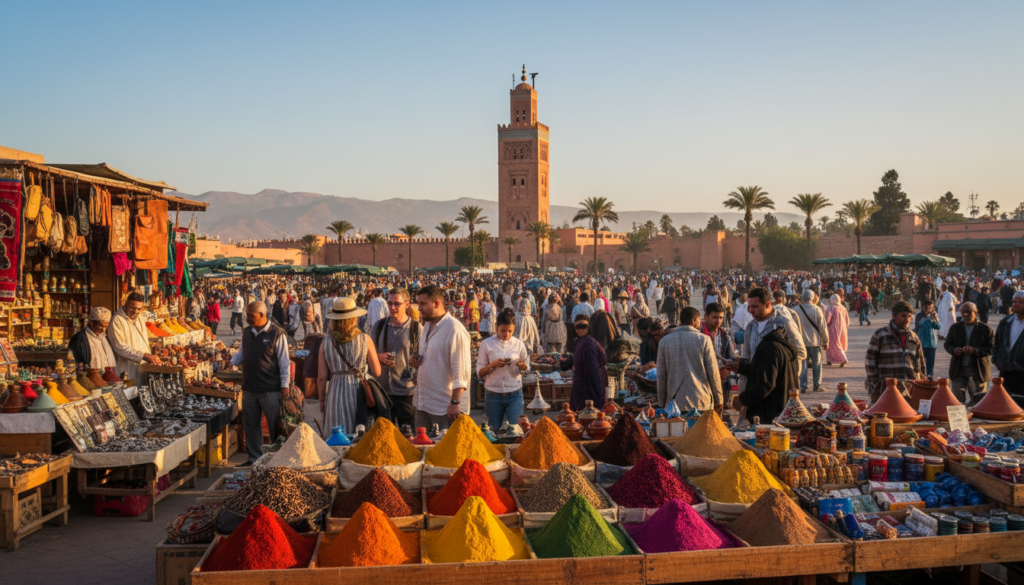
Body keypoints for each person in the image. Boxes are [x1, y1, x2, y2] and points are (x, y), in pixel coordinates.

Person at [230, 302, 291, 464]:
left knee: (274, 427)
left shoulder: (277, 334)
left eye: (251, 315)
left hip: (270, 389)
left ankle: (276, 459)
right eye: (247, 315)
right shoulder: (247, 332)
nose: (248, 318)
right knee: (251, 426)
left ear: (263, 315)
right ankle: (254, 458)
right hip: (249, 387)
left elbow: (284, 362)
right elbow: (241, 353)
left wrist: (285, 385)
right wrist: (231, 361)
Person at [317, 297, 383, 437]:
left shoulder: (326, 341)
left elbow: (322, 378)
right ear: (354, 318)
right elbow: (377, 372)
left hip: (334, 391)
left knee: (335, 434)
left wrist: (322, 401)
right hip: (358, 390)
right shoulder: (365, 339)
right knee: (357, 433)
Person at [411, 285, 471, 429]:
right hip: (423, 402)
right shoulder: (427, 325)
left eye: (423, 304)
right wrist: (415, 360)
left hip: (444, 407)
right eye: (419, 304)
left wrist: (455, 403)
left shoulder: (454, 329)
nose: (419, 308)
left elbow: (461, 372)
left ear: (437, 303)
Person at [731, 310, 800, 425]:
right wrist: (742, 368)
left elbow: (765, 383)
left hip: (770, 410)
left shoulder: (770, 348)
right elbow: (763, 369)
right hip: (782, 406)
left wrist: (743, 400)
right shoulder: (781, 346)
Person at [371, 288, 420, 430]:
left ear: (406, 304)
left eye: (397, 304)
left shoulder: (416, 329)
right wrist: (378, 356)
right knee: (384, 436)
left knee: (409, 436)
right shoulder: (379, 326)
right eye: (390, 303)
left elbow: (426, 358)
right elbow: (368, 353)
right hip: (383, 391)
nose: (392, 307)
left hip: (407, 392)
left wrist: (416, 360)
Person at [657, 307, 723, 413]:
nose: (699, 324)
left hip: (675, 404)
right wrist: (719, 399)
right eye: (699, 321)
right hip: (700, 401)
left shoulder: (664, 342)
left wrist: (662, 402)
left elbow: (661, 376)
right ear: (694, 320)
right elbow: (713, 373)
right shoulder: (704, 340)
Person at [477, 308, 530, 429]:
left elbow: (526, 369)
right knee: (493, 431)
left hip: (514, 393)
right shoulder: (486, 344)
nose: (506, 334)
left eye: (510, 331)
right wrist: (492, 365)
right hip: (493, 394)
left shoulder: (519, 344)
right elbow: (480, 373)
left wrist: (521, 366)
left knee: (516, 430)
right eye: (503, 330)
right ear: (496, 328)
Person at [864, 301, 927, 403]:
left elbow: (920, 365)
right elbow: (870, 364)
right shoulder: (880, 335)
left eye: (910, 316)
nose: (907, 319)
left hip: (908, 392)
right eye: (903, 316)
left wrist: (921, 385)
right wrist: (877, 386)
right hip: (884, 392)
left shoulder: (914, 337)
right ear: (894, 316)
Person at [943, 302, 994, 402]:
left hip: (978, 371)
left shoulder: (985, 329)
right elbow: (947, 344)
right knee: (957, 401)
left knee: (978, 402)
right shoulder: (955, 328)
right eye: (963, 312)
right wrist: (953, 350)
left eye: (969, 312)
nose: (965, 315)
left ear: (975, 312)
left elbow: (992, 348)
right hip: (958, 369)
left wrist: (975, 350)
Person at [107, 292, 161, 384]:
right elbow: (120, 347)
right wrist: (143, 356)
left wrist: (152, 351)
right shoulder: (117, 320)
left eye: (139, 309)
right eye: (132, 308)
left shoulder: (139, 317)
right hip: (126, 369)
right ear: (126, 304)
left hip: (141, 367)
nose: (136, 311)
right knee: (129, 394)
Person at [742, 287, 806, 363]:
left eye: (754, 307)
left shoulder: (783, 323)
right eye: (749, 307)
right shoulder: (751, 327)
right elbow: (746, 356)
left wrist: (777, 366)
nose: (750, 311)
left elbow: (801, 352)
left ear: (767, 305)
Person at [568, 315, 608, 410]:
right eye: (577, 327)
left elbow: (594, 372)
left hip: (589, 389)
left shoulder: (589, 344)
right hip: (581, 387)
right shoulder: (580, 342)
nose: (580, 330)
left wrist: (600, 394)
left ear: (589, 328)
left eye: (583, 327)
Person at [794, 290, 829, 393]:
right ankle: (817, 385)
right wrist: (825, 340)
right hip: (815, 342)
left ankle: (803, 386)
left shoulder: (795, 310)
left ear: (803, 298)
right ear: (813, 298)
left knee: (803, 365)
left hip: (800, 343)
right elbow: (822, 327)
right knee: (817, 364)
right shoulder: (817, 310)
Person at [994, 290, 1024, 396]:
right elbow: (997, 343)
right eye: (1014, 301)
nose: (1016, 304)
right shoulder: (1006, 321)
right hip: (1006, 370)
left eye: (1020, 302)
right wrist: (997, 360)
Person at [69, 307, 117, 371]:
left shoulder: (105, 338)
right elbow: (75, 366)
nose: (103, 329)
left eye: (105, 326)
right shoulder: (79, 339)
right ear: (91, 322)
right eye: (100, 325)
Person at [915, 300, 941, 377]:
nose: (930, 309)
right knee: (920, 363)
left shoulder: (934, 316)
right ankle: (921, 377)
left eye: (931, 307)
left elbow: (938, 326)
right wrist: (928, 318)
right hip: (922, 343)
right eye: (929, 307)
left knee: (930, 363)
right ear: (924, 307)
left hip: (932, 343)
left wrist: (935, 318)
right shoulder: (919, 316)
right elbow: (918, 326)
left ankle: (930, 376)